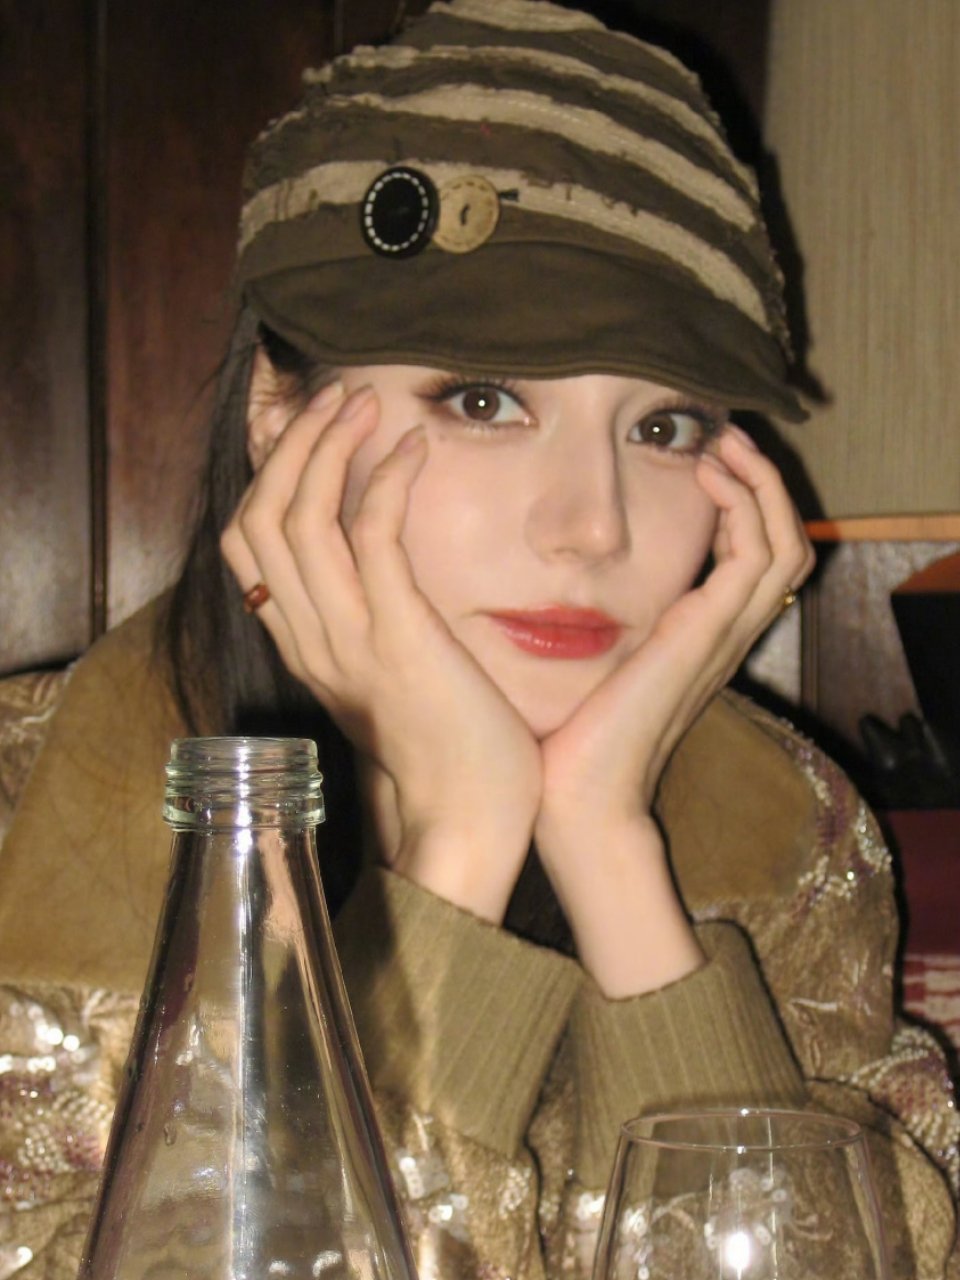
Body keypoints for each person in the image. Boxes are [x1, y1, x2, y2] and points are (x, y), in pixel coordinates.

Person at [0, 2, 957, 1276]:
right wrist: (456, 847)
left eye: (662, 427)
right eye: (486, 398)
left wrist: (612, 848)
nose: (591, 524)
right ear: (279, 414)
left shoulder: (792, 833)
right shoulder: (25, 813)